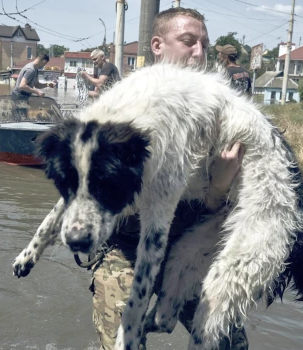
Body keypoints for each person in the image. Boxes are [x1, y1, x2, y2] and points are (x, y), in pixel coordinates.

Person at [88, 7, 248, 350]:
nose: (199, 53)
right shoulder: (125, 107)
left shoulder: (221, 113)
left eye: (205, 44)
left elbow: (217, 212)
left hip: (188, 247)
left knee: (229, 343)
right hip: (128, 248)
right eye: (189, 41)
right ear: (157, 45)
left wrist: (220, 185)